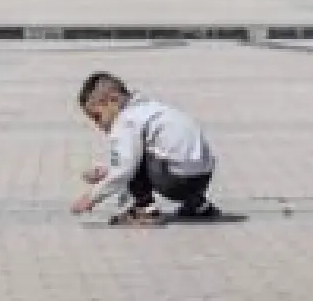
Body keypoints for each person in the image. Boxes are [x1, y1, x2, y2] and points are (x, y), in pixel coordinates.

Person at [69, 72, 220, 225]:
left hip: (176, 182)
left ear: (113, 100)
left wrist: (92, 197)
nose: (98, 125)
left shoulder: (126, 120)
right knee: (150, 152)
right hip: (202, 176)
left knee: (135, 160)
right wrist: (108, 170)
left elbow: (125, 169)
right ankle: (197, 204)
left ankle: (145, 209)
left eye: (97, 117)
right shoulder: (149, 107)